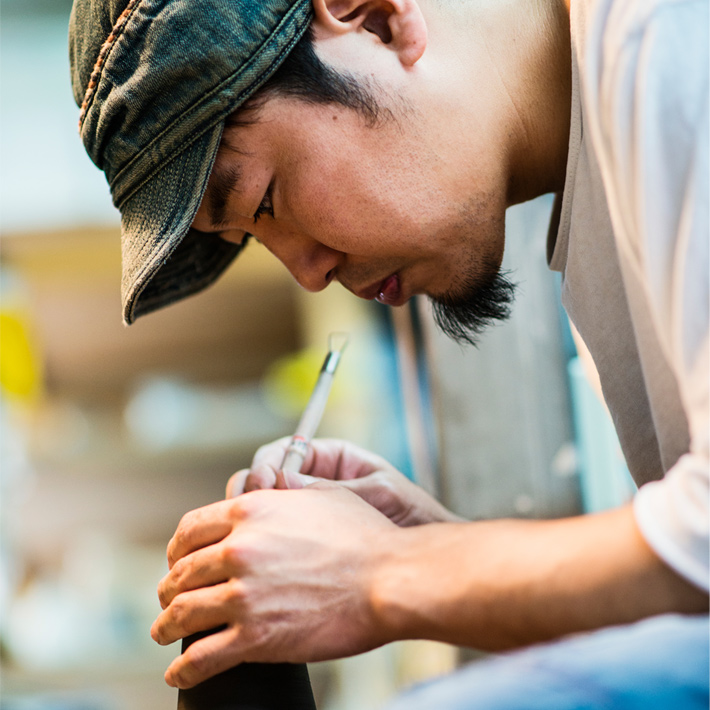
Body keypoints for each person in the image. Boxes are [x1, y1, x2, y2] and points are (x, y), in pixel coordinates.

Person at [69, 0, 709, 706]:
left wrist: (386, 573)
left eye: (268, 199)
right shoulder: (603, 203)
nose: (308, 276)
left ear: (376, 19)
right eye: (256, 237)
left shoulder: (668, 35)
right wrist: (435, 545)